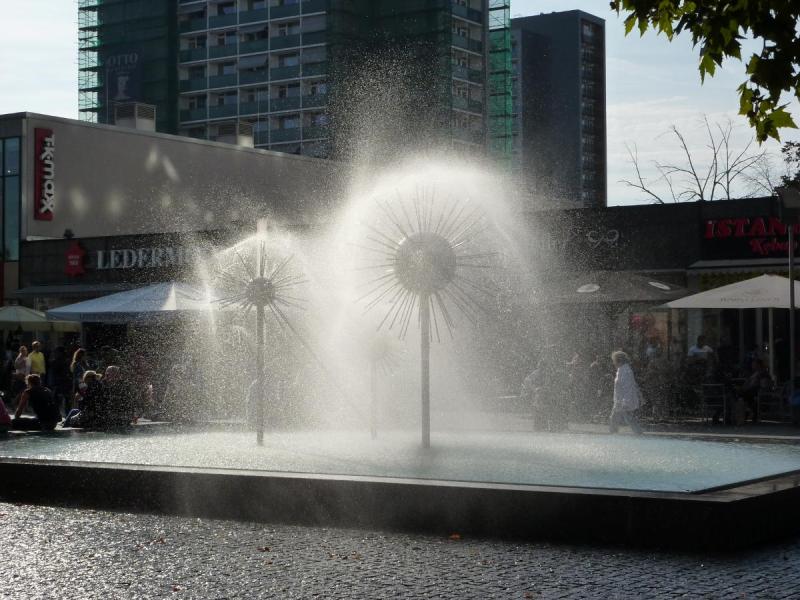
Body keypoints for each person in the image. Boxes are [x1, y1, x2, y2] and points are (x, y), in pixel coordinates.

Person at [609, 351, 643, 435]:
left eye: (614, 360)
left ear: (618, 361)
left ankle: (639, 434)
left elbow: (627, 387)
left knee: (624, 418)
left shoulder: (625, 371)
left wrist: (626, 401)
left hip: (623, 401)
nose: (613, 363)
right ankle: (614, 434)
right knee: (624, 419)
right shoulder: (622, 370)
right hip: (620, 401)